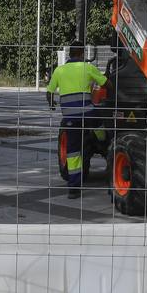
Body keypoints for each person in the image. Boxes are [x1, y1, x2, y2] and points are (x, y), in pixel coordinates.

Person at [45, 42, 108, 199]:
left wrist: (52, 104)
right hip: (88, 115)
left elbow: (49, 92)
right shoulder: (88, 68)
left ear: (70, 54)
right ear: (82, 54)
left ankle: (73, 189)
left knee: (73, 153)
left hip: (70, 119)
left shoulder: (59, 70)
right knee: (99, 122)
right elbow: (107, 83)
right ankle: (103, 141)